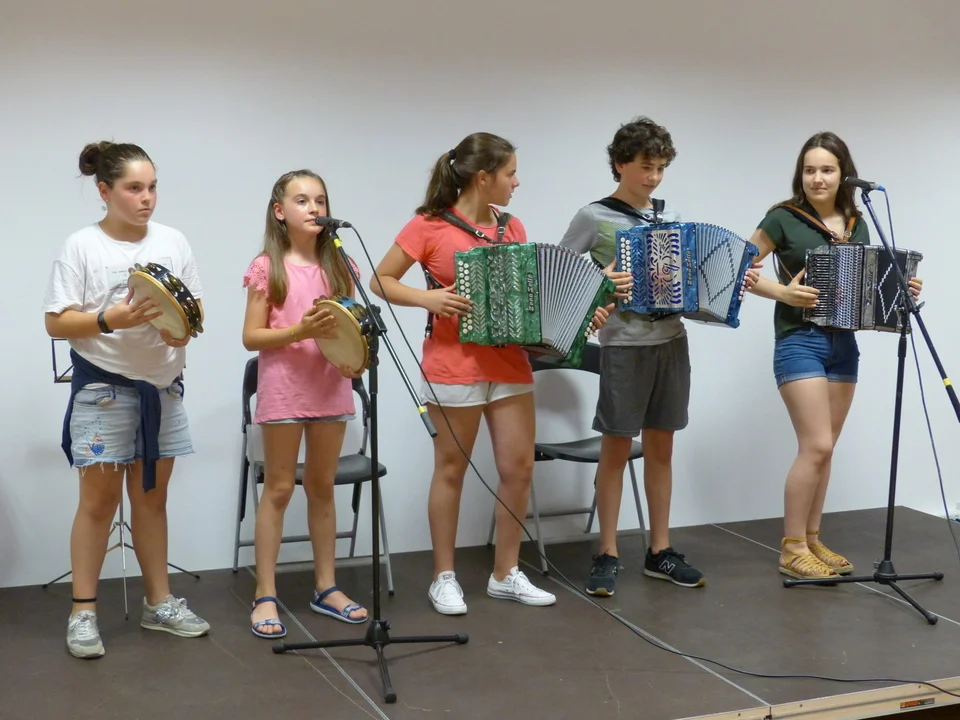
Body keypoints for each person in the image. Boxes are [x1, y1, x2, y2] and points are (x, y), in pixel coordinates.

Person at [369, 132, 611, 615]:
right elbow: (380, 280)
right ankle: (443, 577)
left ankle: (505, 573)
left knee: (518, 470)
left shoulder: (513, 227)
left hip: (509, 364)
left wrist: (581, 315)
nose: (516, 182)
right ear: (483, 177)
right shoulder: (429, 225)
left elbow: (528, 299)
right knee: (451, 470)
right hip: (452, 365)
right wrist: (428, 298)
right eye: (510, 174)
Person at [43, 141, 211, 659]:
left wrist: (182, 331)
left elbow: (194, 309)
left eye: (152, 187)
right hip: (104, 390)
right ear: (104, 190)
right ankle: (83, 612)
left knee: (152, 500)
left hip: (163, 389)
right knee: (98, 505)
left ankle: (158, 603)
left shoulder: (173, 240)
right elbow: (55, 322)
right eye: (134, 188)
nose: (147, 198)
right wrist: (108, 319)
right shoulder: (82, 246)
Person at [746, 131, 923, 579]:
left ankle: (811, 538)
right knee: (817, 445)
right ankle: (791, 548)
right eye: (809, 170)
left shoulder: (858, 223)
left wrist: (902, 287)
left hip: (844, 345)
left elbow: (865, 287)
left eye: (826, 170)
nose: (817, 178)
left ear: (844, 174)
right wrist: (783, 292)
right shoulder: (782, 218)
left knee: (826, 450)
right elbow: (738, 269)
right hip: (798, 340)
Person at [559, 116, 712, 597]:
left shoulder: (670, 216)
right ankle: (607, 552)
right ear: (620, 164)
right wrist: (601, 281)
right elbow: (558, 277)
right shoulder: (593, 216)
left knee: (662, 450)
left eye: (661, 168)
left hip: (671, 341)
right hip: (623, 348)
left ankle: (659, 550)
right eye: (646, 167)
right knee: (616, 450)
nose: (654, 177)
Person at [241, 169, 369, 637]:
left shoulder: (341, 265)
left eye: (320, 200)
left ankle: (326, 587)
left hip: (330, 386)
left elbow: (352, 328)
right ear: (280, 212)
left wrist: (355, 357)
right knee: (278, 489)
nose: (314, 208)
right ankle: (265, 594)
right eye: (301, 200)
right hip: (285, 391)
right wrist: (301, 331)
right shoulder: (267, 267)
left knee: (322, 487)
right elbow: (251, 336)